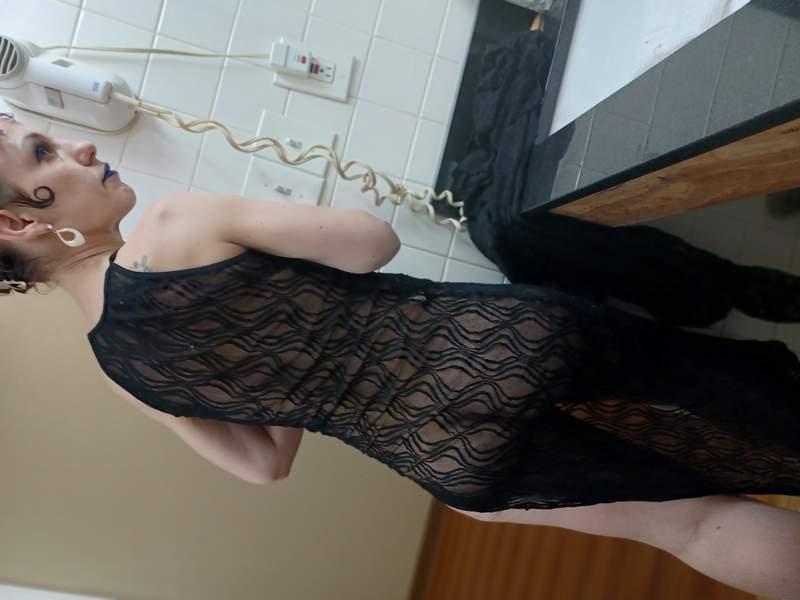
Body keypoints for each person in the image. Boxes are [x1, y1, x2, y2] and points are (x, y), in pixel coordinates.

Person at [1, 112, 798, 598]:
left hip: (447, 455)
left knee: (695, 526)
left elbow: (266, 465)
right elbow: (369, 244)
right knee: (737, 395)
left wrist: (290, 366)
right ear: (17, 224)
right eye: (43, 153)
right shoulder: (175, 223)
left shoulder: (120, 369)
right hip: (492, 344)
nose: (79, 146)